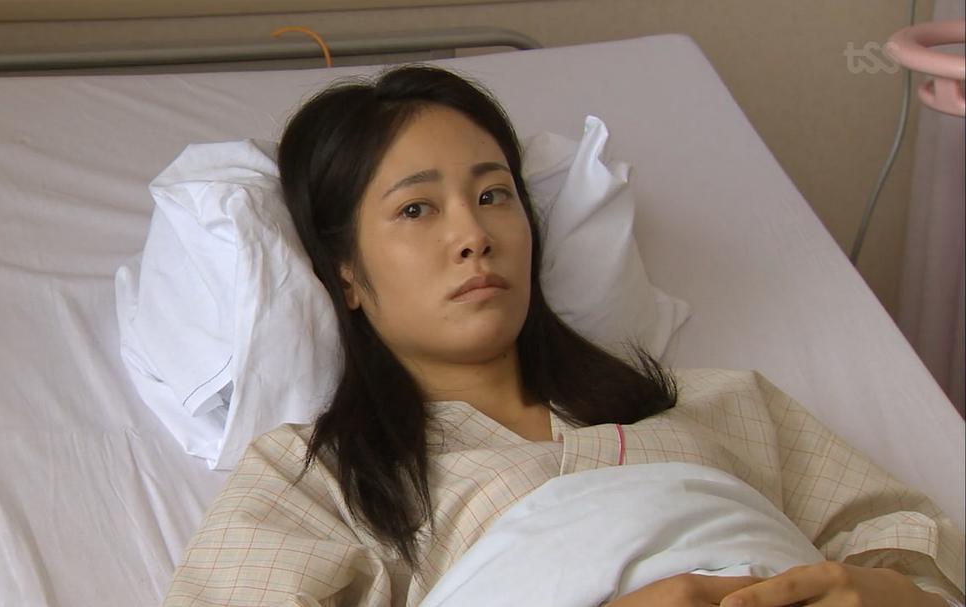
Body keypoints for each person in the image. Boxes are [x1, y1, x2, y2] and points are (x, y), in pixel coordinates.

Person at [162, 66, 963, 606]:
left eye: (494, 194)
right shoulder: (317, 478)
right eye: (417, 208)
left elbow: (913, 545)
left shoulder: (724, 402)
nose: (473, 235)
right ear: (345, 273)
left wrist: (882, 593)